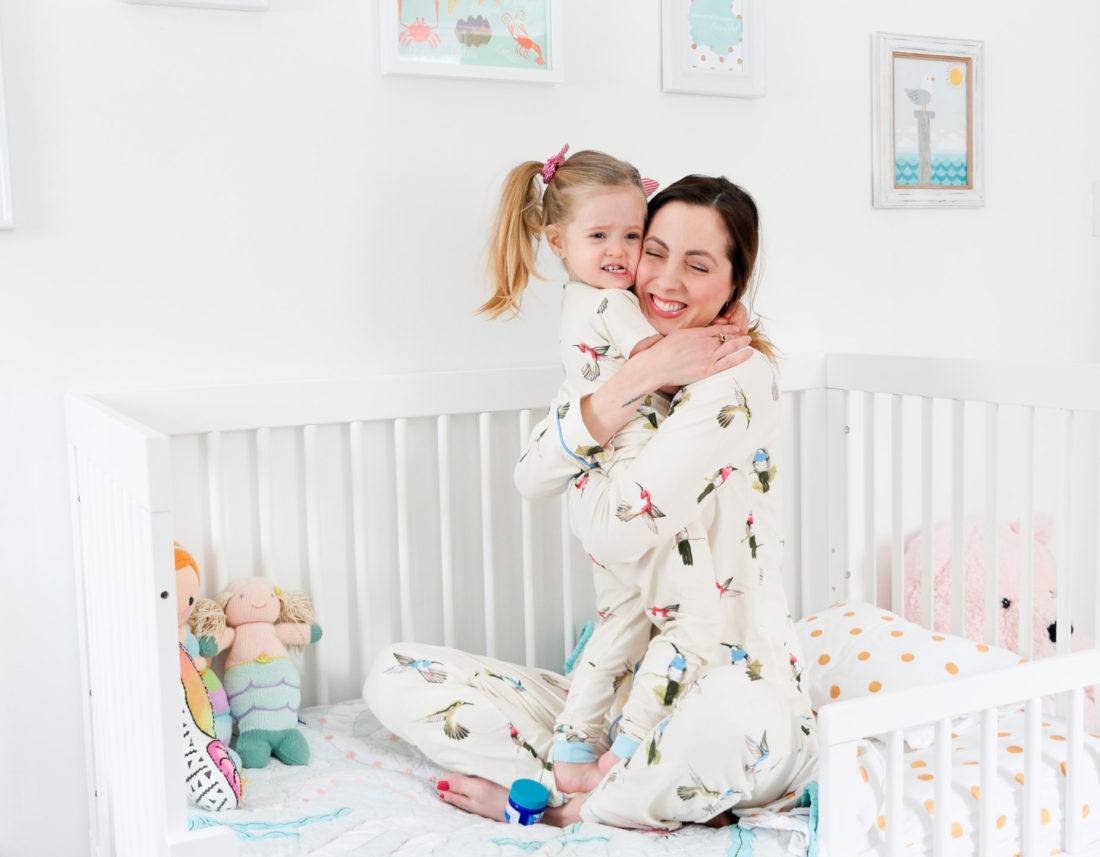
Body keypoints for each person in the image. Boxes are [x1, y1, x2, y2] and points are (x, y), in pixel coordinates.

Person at [364, 173, 816, 830]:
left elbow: (613, 533)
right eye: (652, 251)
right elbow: (531, 475)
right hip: (611, 704)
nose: (664, 280)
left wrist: (623, 396)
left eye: (698, 265)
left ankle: (571, 810)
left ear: (733, 284)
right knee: (395, 673)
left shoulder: (737, 377)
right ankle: (618, 785)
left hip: (724, 684)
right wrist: (640, 375)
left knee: (740, 724)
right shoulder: (615, 362)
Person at [478, 144, 752, 797]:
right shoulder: (609, 305)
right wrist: (724, 329)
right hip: (633, 477)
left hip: (596, 483)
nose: (621, 254)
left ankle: (573, 747)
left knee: (624, 621)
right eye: (601, 235)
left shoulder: (581, 301)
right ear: (556, 240)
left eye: (633, 236)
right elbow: (663, 358)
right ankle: (626, 749)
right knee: (695, 623)